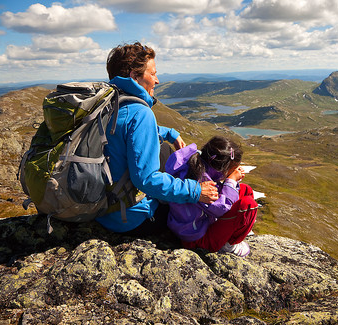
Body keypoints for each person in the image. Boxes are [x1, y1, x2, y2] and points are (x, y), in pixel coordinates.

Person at [97, 42, 219, 235]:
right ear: (134, 77)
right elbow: (146, 180)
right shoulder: (140, 114)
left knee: (163, 150)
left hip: (103, 209)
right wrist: (196, 192)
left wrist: (170, 133)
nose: (157, 80)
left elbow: (125, 132)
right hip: (129, 219)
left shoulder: (108, 104)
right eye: (152, 74)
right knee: (193, 217)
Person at [165, 136, 258, 257]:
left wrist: (231, 180)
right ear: (222, 168)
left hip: (194, 226)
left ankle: (234, 231)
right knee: (248, 205)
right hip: (197, 239)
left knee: (245, 190)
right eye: (232, 169)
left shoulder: (197, 166)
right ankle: (228, 244)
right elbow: (220, 208)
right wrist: (231, 181)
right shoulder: (202, 183)